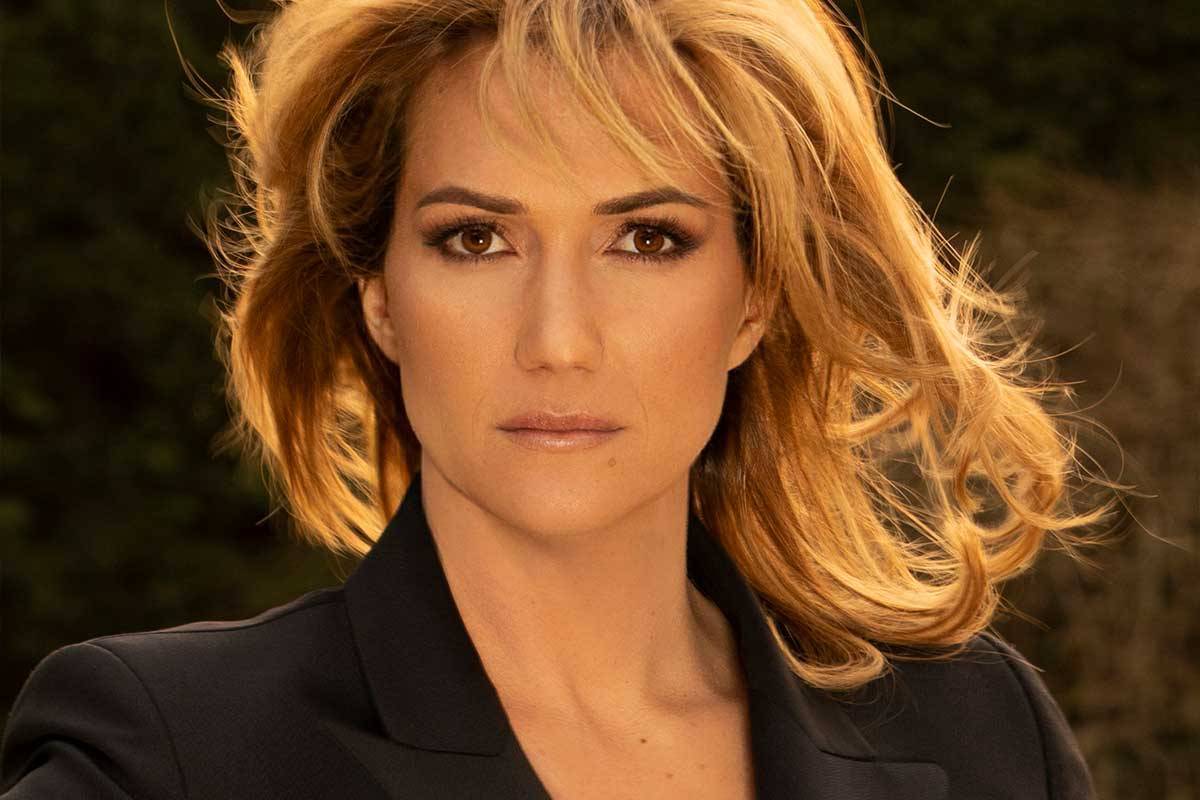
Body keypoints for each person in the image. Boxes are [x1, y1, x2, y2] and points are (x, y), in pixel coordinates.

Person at [1, 1, 1112, 797]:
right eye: (476, 239)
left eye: (648, 239)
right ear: (380, 297)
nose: (559, 341)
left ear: (754, 301)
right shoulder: (166, 754)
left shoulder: (982, 735)